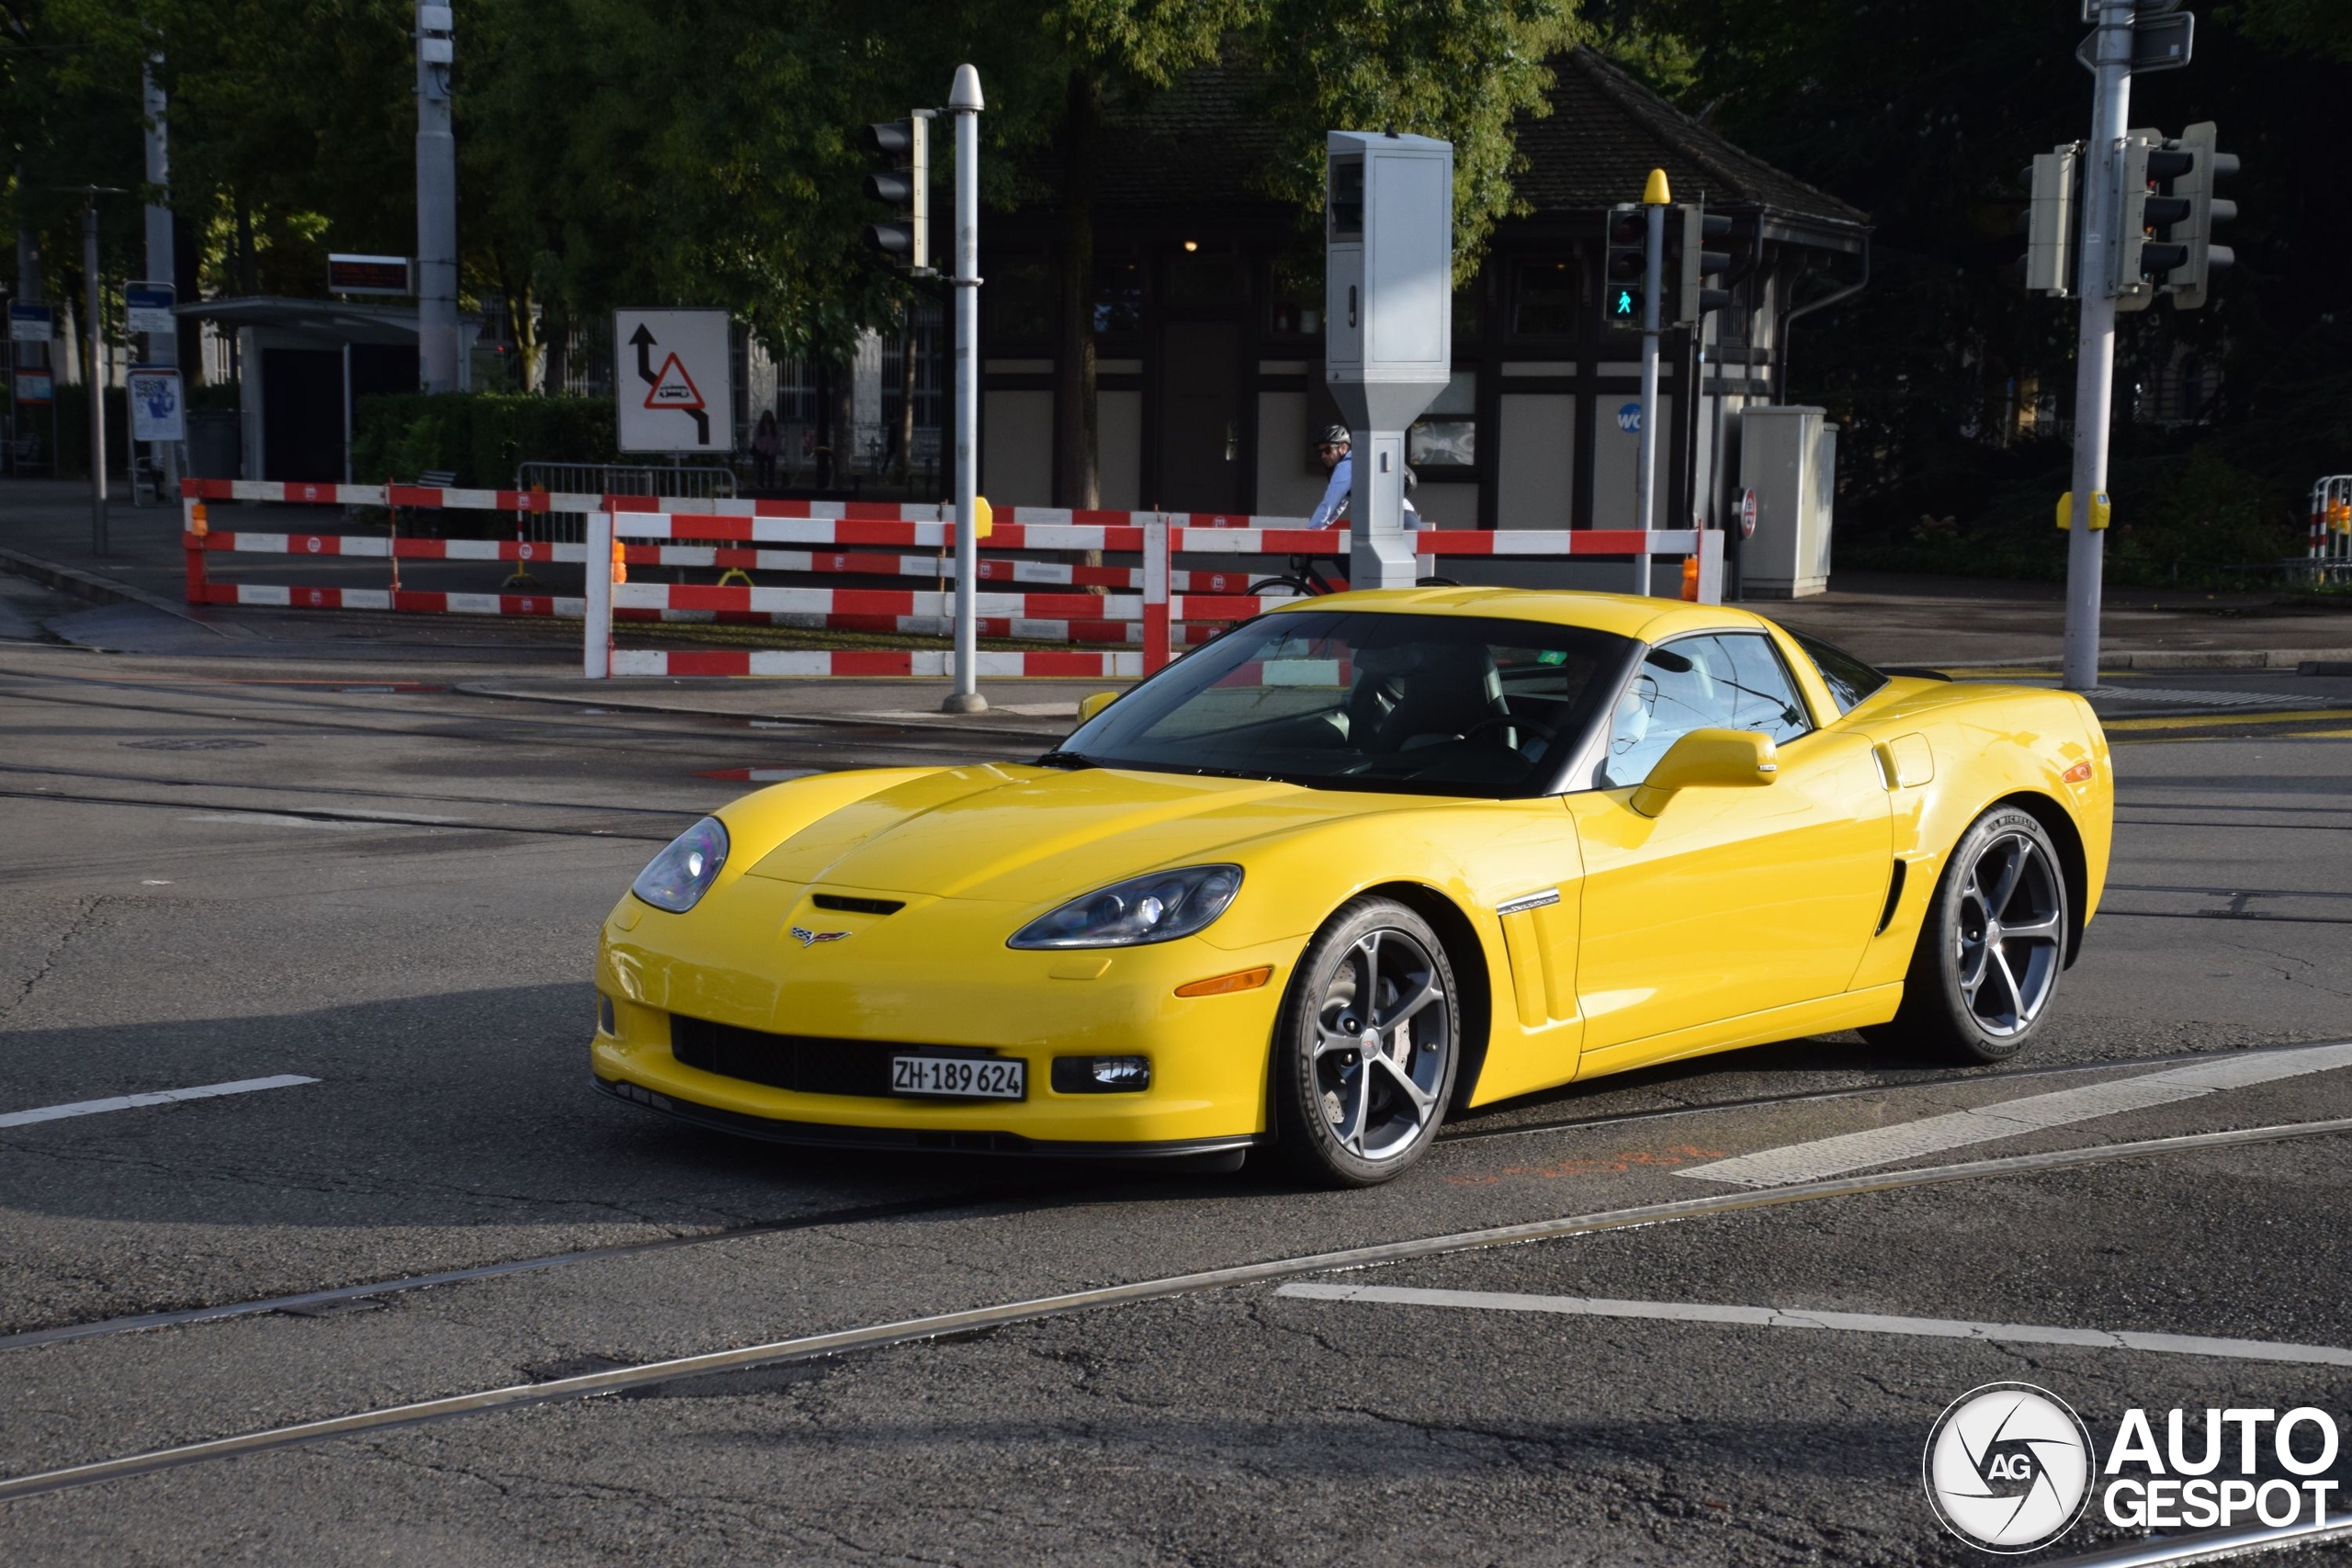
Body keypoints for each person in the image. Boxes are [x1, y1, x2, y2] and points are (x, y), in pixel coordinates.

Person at [1308, 425, 1351, 526]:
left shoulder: (1345, 467)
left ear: (1343, 448)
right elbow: (1337, 507)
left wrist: (1308, 534)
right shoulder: (1355, 464)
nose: (1323, 455)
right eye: (1320, 452)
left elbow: (1328, 506)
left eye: (1328, 450)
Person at [751, 410, 781, 491]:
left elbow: (777, 440)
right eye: (765, 417)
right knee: (761, 469)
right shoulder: (759, 426)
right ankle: (760, 484)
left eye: (768, 417)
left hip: (771, 452)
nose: (767, 418)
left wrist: (773, 449)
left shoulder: (774, 427)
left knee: (771, 469)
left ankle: (771, 485)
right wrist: (761, 448)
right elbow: (755, 439)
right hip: (761, 451)